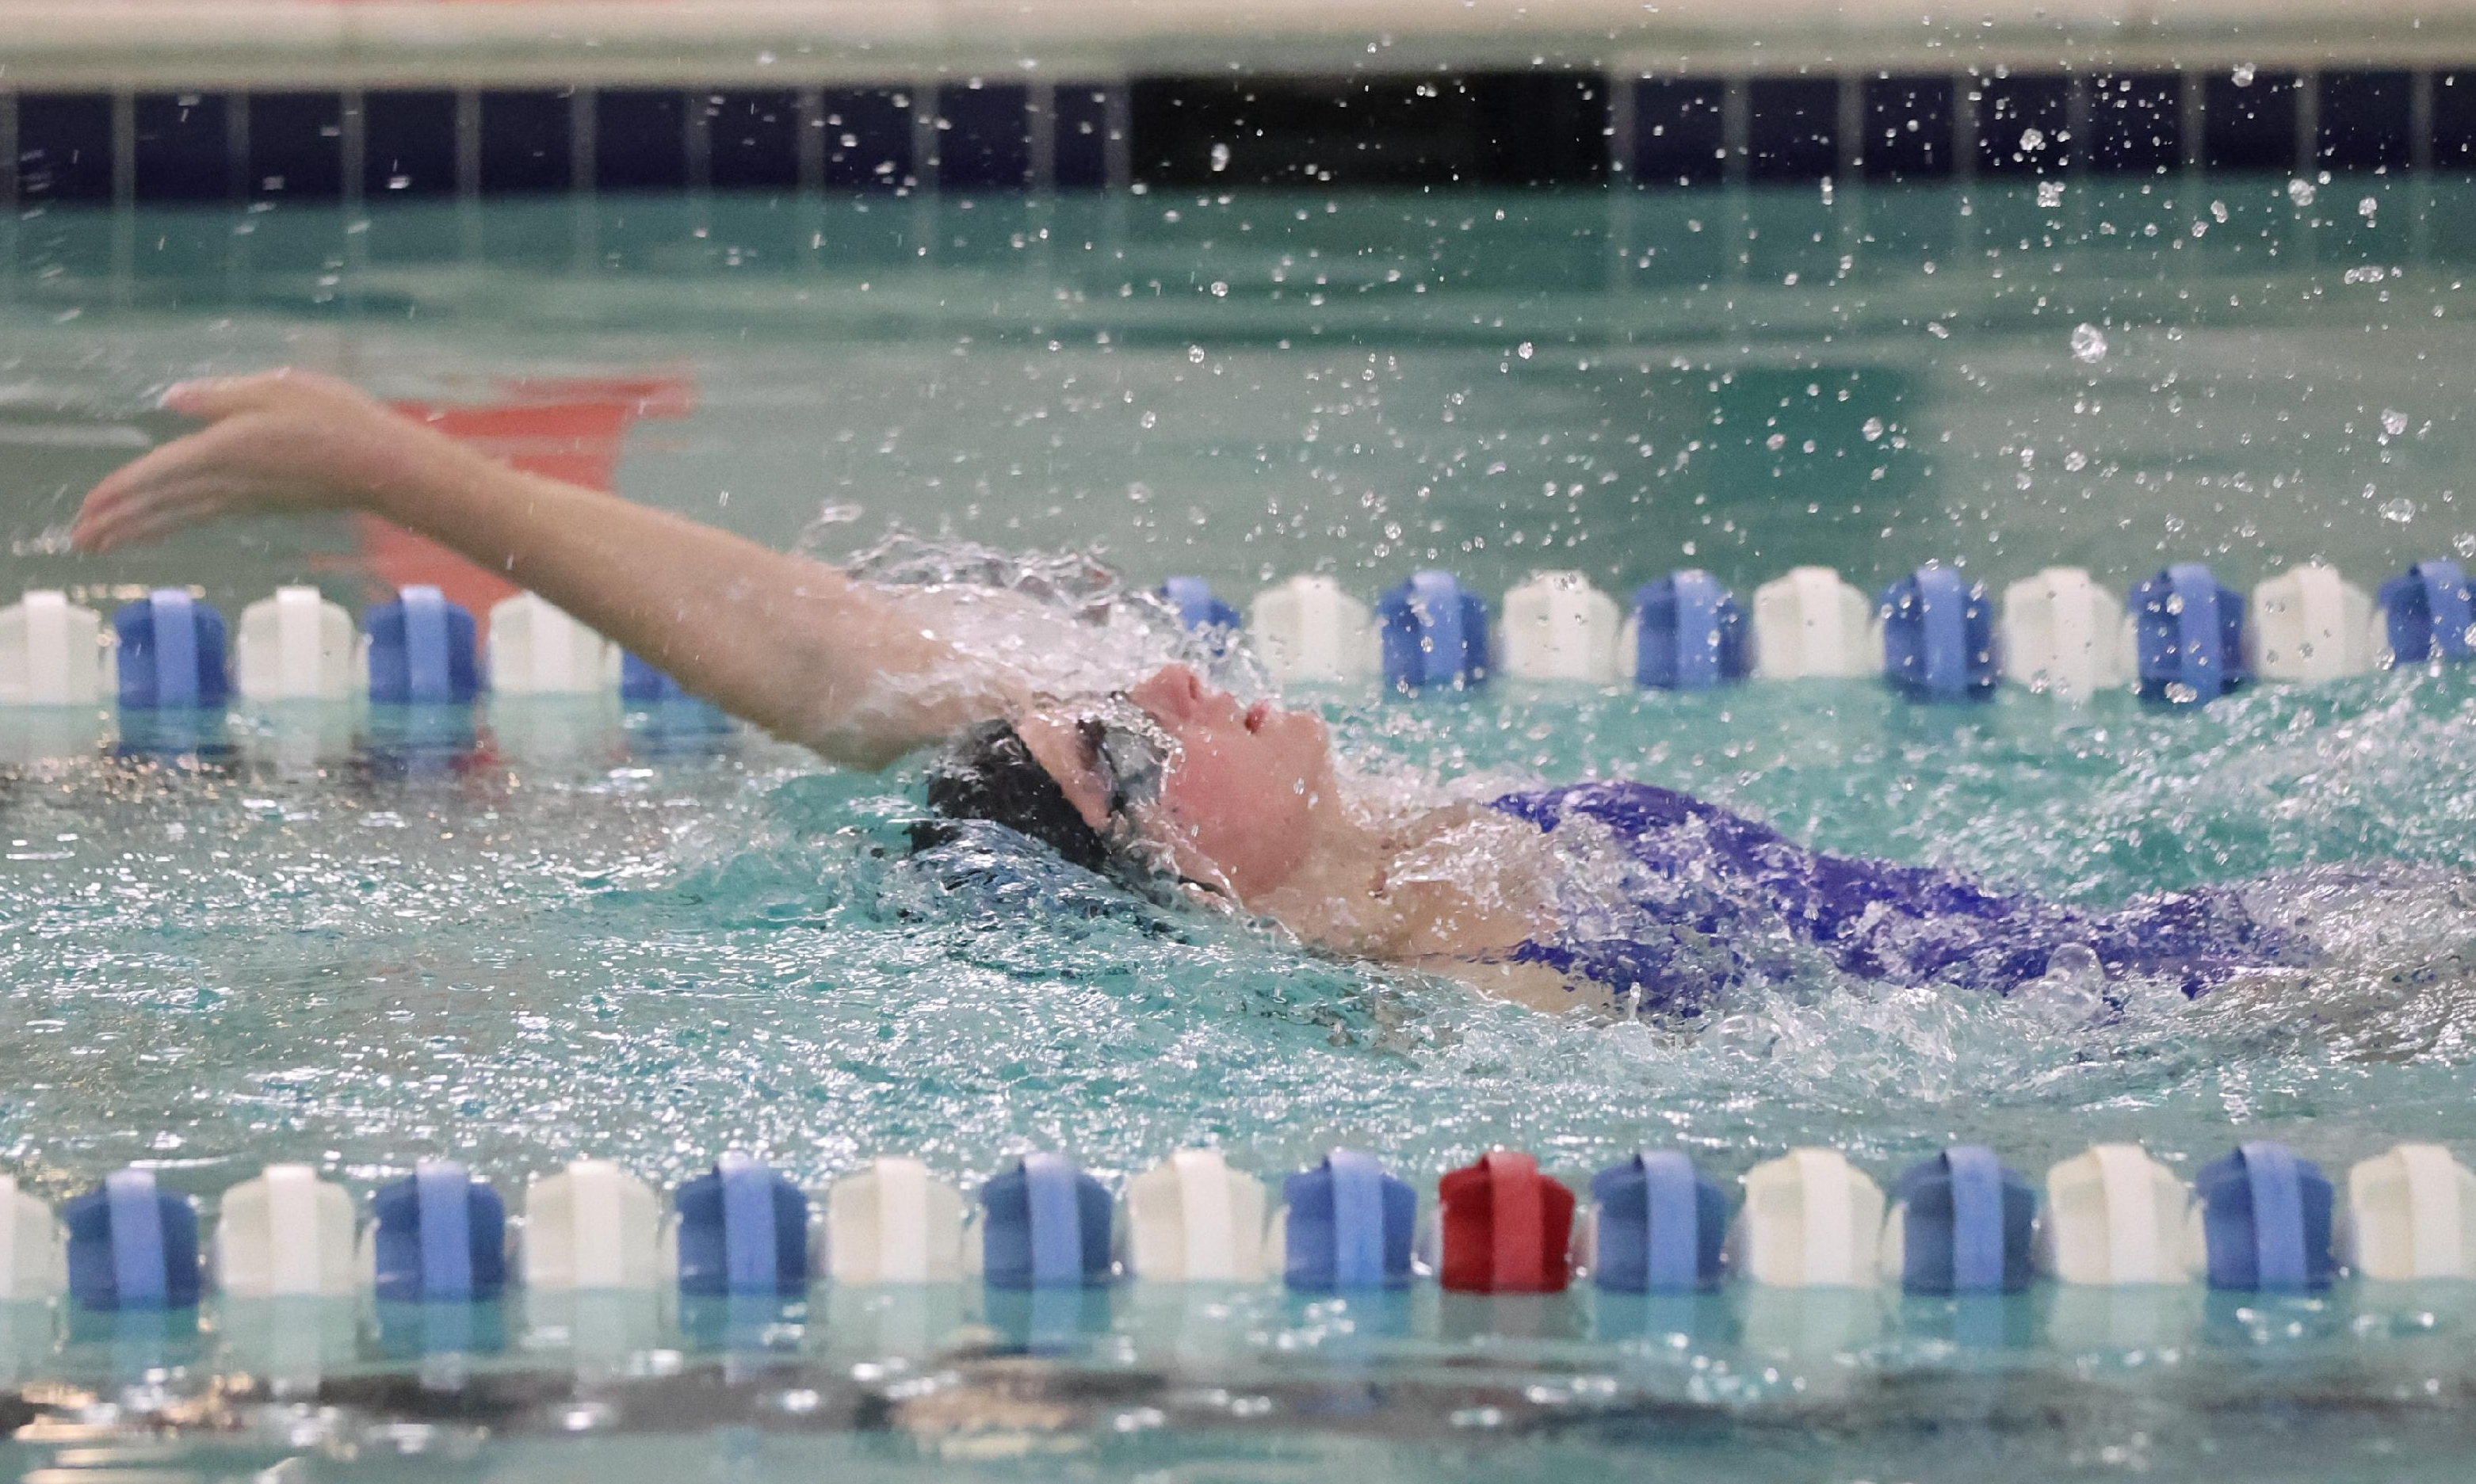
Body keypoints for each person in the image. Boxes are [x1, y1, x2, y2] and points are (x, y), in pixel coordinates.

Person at [70, 370, 2309, 1017]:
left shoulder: (1359, 837)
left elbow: (831, 655)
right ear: (1172, 883)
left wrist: (392, 459)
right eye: (1125, 749)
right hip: (2228, 1006)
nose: (1158, 678)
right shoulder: (1436, 967)